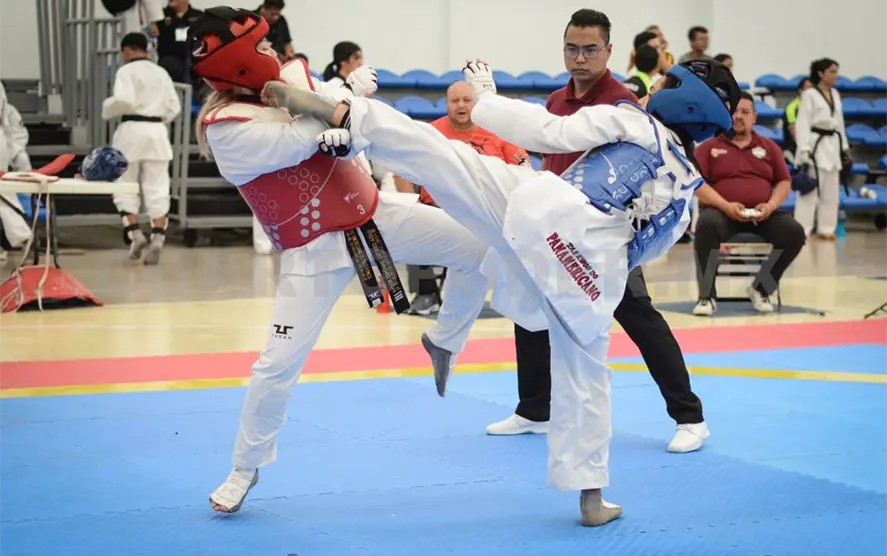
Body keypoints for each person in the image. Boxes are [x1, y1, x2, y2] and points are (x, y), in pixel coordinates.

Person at [265, 56, 741, 526]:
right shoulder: (686, 193)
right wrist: (580, 274)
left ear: (687, 100)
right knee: (587, 377)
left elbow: (549, 132)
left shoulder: (632, 121)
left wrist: (487, 99)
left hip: (544, 213)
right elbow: (643, 251)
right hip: (590, 273)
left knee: (445, 158)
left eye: (664, 83)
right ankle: (591, 496)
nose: (652, 88)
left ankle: (344, 112)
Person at [187, 7, 490, 514]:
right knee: (276, 366)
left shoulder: (293, 76)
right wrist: (342, 101)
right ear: (235, 64)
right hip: (312, 251)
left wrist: (344, 108)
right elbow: (299, 140)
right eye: (260, 47)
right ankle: (245, 467)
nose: (271, 52)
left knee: (480, 248)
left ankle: (444, 339)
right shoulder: (226, 129)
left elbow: (349, 126)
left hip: (372, 215)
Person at [488, 9, 708, 456]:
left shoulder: (624, 104)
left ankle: (691, 417)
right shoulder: (556, 100)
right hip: (553, 226)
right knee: (531, 309)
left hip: (607, 236)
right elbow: (551, 154)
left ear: (608, 51)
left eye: (590, 49)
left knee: (639, 318)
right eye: (572, 49)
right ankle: (534, 408)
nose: (580, 58)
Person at [395, 81, 529, 315]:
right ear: (446, 104)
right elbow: (401, 170)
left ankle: (520, 294)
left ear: (476, 103)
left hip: (488, 210)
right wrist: (411, 204)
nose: (461, 106)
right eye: (455, 101)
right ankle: (426, 294)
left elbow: (523, 168)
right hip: (440, 209)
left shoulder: (498, 131)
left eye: (467, 100)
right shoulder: (430, 134)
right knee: (412, 224)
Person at [692, 92, 806, 315]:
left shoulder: (770, 147)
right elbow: (696, 183)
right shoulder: (708, 147)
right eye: (734, 111)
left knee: (794, 232)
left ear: (754, 117)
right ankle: (706, 297)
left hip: (762, 214)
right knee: (706, 224)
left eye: (745, 112)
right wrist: (725, 205)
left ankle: (761, 288)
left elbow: (784, 181)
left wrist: (771, 205)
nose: (739, 116)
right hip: (722, 213)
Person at [102, 32, 181, 265]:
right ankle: (158, 237)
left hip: (131, 131)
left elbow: (124, 100)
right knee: (158, 187)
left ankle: (135, 233)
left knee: (125, 184)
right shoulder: (161, 72)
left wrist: (107, 108)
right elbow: (174, 107)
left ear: (127, 50)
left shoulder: (126, 71)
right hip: (157, 131)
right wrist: (157, 119)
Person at [794, 58, 850, 240]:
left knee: (831, 191)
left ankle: (826, 228)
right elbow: (803, 123)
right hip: (815, 145)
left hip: (833, 144)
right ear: (820, 73)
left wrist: (844, 148)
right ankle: (802, 229)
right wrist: (804, 149)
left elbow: (840, 123)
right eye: (832, 71)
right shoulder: (809, 94)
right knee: (809, 190)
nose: (836, 75)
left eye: (836, 71)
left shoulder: (835, 94)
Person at [156, 0, 204, 84]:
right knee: (171, 65)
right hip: (170, 56)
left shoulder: (198, 15)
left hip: (192, 56)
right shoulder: (161, 15)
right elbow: (151, 32)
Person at [782, 77, 813, 162]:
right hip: (795, 148)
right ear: (800, 91)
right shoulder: (791, 108)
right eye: (808, 88)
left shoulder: (816, 108)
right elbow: (795, 135)